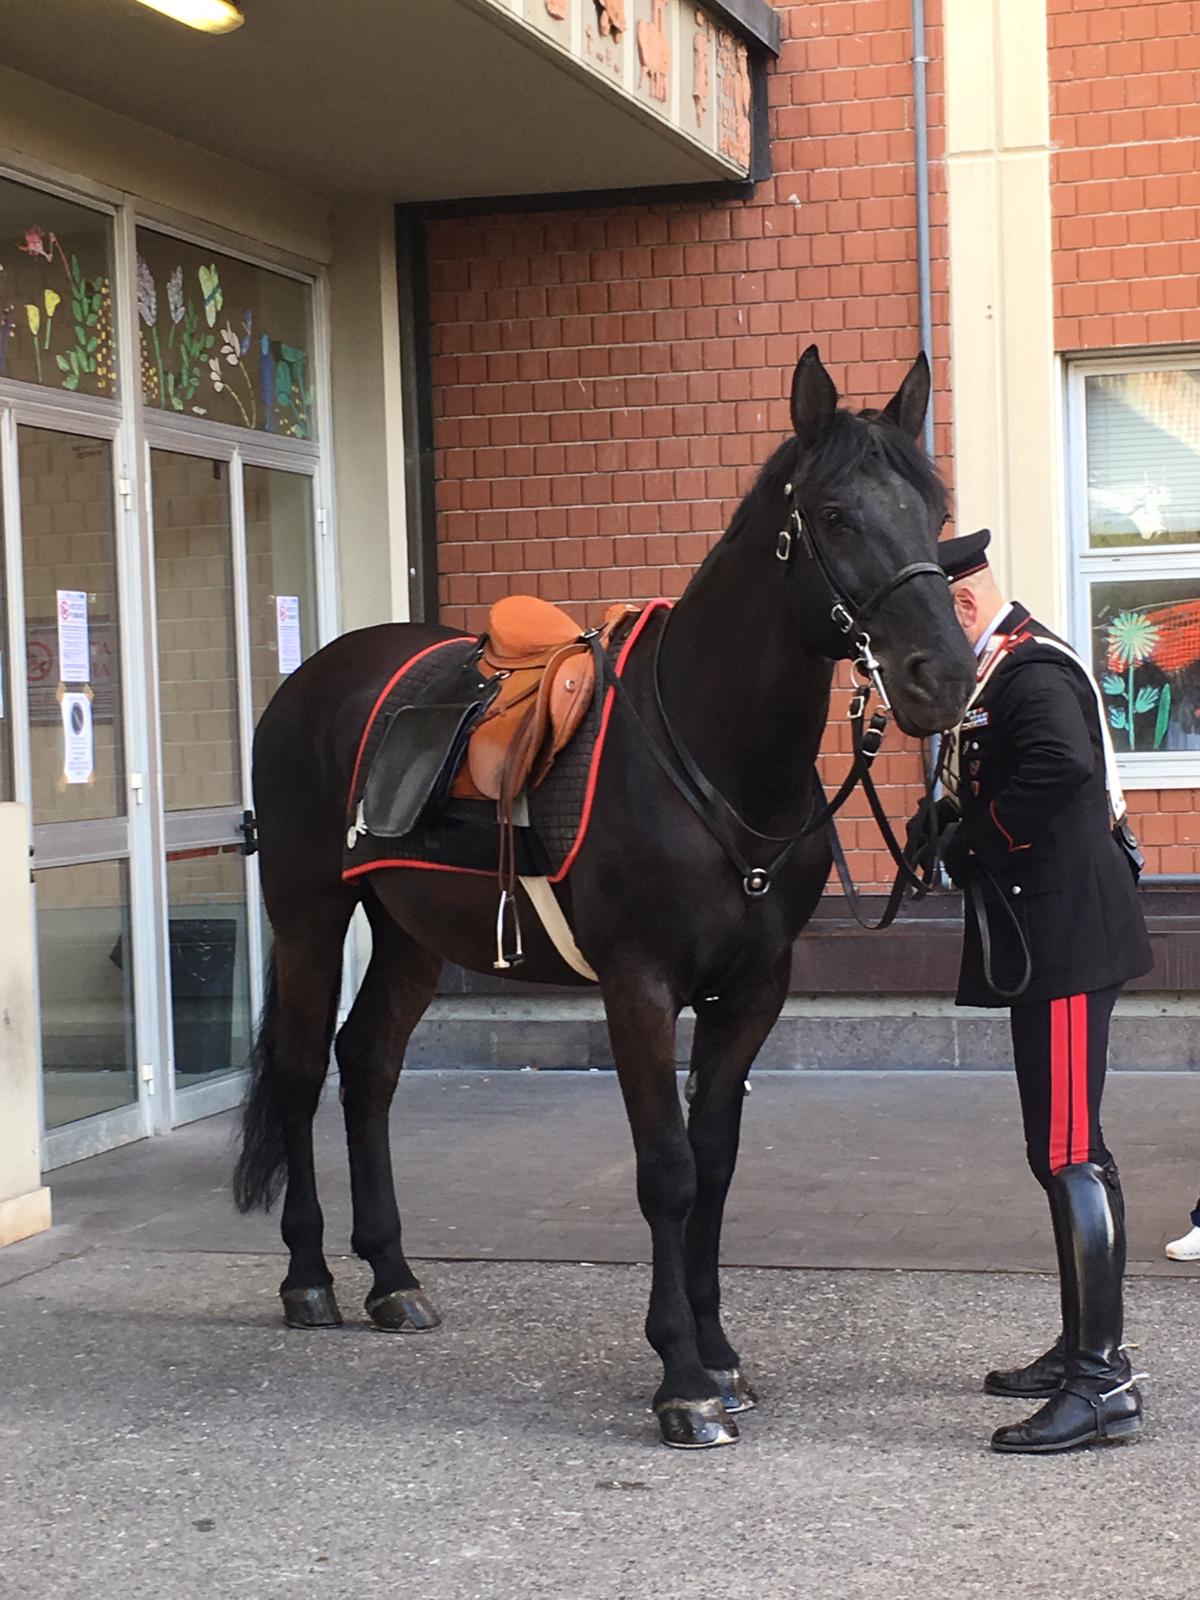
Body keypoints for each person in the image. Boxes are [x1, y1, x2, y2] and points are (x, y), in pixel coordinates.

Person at [908, 528, 1153, 1454]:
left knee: (1069, 1152)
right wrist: (945, 817)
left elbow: (1061, 767)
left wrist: (973, 837)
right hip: (1049, 939)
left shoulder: (1028, 669)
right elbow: (1010, 769)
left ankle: (1101, 1384)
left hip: (1064, 942)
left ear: (964, 604)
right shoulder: (1002, 668)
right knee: (1066, 1149)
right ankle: (1085, 1346)